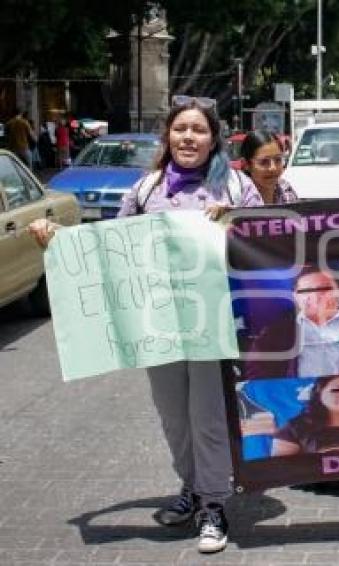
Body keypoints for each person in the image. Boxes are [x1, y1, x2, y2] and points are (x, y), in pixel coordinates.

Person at [29, 95, 265, 554]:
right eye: (180, 130)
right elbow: (110, 248)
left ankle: (214, 504)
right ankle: (192, 487)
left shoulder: (236, 187)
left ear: (214, 137)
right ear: (168, 137)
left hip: (215, 325)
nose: (188, 137)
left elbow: (268, 240)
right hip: (157, 327)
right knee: (174, 418)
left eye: (198, 129)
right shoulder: (146, 189)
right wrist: (59, 242)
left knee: (209, 418)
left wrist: (235, 223)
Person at [239, 130, 298, 205]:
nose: (273, 168)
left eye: (278, 159)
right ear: (246, 164)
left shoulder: (286, 191)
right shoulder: (238, 199)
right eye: (264, 162)